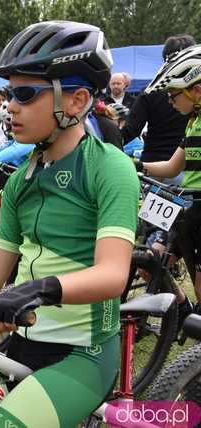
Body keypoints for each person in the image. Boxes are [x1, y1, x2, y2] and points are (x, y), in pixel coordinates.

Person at [0, 21, 139, 428]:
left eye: (26, 94)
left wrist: (36, 289)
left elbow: (113, 275)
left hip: (84, 353)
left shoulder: (109, 168)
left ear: (78, 100)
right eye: (10, 93)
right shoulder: (20, 179)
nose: (10, 105)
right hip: (25, 345)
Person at [136, 44, 201, 315]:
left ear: (196, 90)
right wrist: (138, 167)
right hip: (188, 205)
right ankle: (182, 313)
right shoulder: (193, 122)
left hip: (197, 206)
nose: (170, 102)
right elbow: (173, 167)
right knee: (151, 262)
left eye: (173, 96)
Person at [122, 35, 196, 167]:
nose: (171, 101)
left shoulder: (150, 91)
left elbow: (131, 130)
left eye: (173, 96)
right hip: (184, 166)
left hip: (154, 162)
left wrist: (106, 143)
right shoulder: (195, 94)